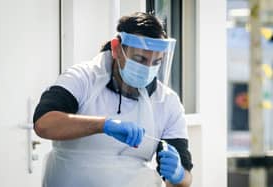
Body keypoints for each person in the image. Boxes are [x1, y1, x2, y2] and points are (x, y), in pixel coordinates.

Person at [33, 12, 193, 187]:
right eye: (140, 59)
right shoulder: (82, 78)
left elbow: (184, 181)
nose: (147, 69)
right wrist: (103, 125)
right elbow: (44, 124)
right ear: (117, 48)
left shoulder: (167, 102)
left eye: (156, 62)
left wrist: (177, 174)